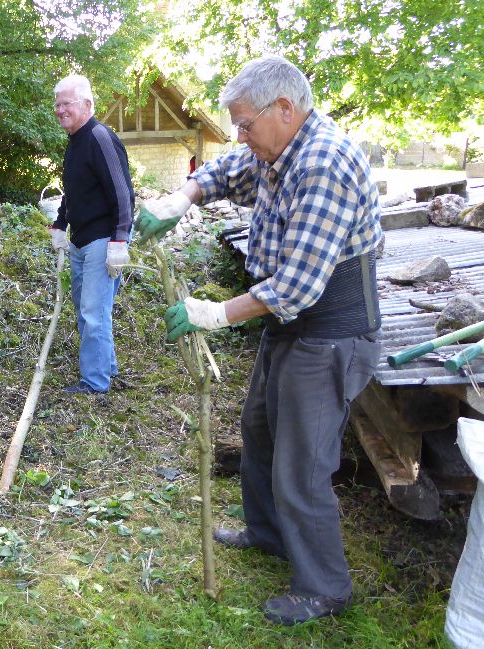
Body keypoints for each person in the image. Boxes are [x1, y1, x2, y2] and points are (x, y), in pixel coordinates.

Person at [136, 55, 382, 625]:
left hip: (329, 331)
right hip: (290, 323)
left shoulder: (323, 164)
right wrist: (182, 198)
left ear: (285, 109)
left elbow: (296, 286)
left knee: (303, 461)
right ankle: (269, 532)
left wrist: (213, 313)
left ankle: (324, 587)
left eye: (245, 124)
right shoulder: (276, 150)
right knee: (261, 429)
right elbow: (226, 172)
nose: (241, 136)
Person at [49, 74, 133, 395]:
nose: (60, 109)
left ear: (86, 104)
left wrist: (120, 240)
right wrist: (60, 224)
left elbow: (123, 192)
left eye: (66, 103)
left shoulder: (99, 137)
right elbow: (74, 192)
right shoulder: (74, 143)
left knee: (93, 312)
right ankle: (105, 367)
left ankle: (95, 383)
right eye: (57, 104)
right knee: (88, 309)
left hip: (104, 237)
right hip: (81, 238)